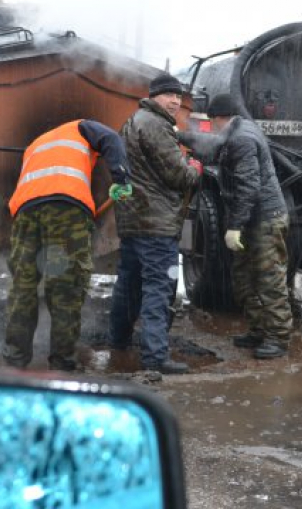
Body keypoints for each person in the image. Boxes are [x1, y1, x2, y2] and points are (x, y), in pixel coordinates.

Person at [3, 119, 132, 372]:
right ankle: (62, 363)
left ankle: (14, 361)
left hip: (25, 211)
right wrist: (121, 178)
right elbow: (112, 140)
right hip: (66, 207)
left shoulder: (35, 145)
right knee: (65, 287)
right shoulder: (82, 127)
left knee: (23, 287)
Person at [179, 93, 293, 359]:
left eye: (212, 121)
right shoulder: (234, 132)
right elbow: (211, 143)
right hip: (250, 217)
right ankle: (258, 330)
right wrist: (179, 136)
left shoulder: (242, 139)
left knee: (269, 279)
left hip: (265, 218)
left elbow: (249, 186)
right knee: (243, 278)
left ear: (220, 118)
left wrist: (235, 226)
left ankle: (277, 338)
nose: (213, 126)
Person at [110, 73, 202, 375]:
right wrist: (194, 167)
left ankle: (119, 341)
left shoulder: (131, 122)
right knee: (158, 289)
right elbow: (178, 176)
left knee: (128, 284)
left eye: (178, 96)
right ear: (154, 96)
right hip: (157, 222)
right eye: (169, 95)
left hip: (132, 220)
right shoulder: (156, 125)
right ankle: (155, 358)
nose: (175, 101)